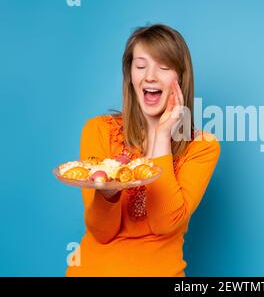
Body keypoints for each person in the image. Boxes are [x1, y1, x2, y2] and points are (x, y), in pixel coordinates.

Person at [66, 24, 220, 276]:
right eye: (141, 66)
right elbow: (102, 233)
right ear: (130, 76)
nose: (150, 76)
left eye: (164, 67)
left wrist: (161, 136)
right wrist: (108, 194)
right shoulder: (98, 131)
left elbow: (165, 224)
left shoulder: (202, 147)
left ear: (180, 78)